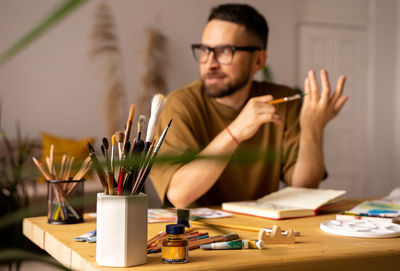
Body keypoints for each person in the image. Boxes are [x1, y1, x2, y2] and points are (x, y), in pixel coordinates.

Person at [149, 3, 348, 208]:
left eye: (225, 51)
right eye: (205, 50)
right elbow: (179, 195)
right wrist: (235, 132)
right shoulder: (179, 105)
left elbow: (304, 187)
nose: (210, 63)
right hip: (196, 233)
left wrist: (312, 129)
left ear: (258, 60)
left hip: (260, 232)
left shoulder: (282, 100)